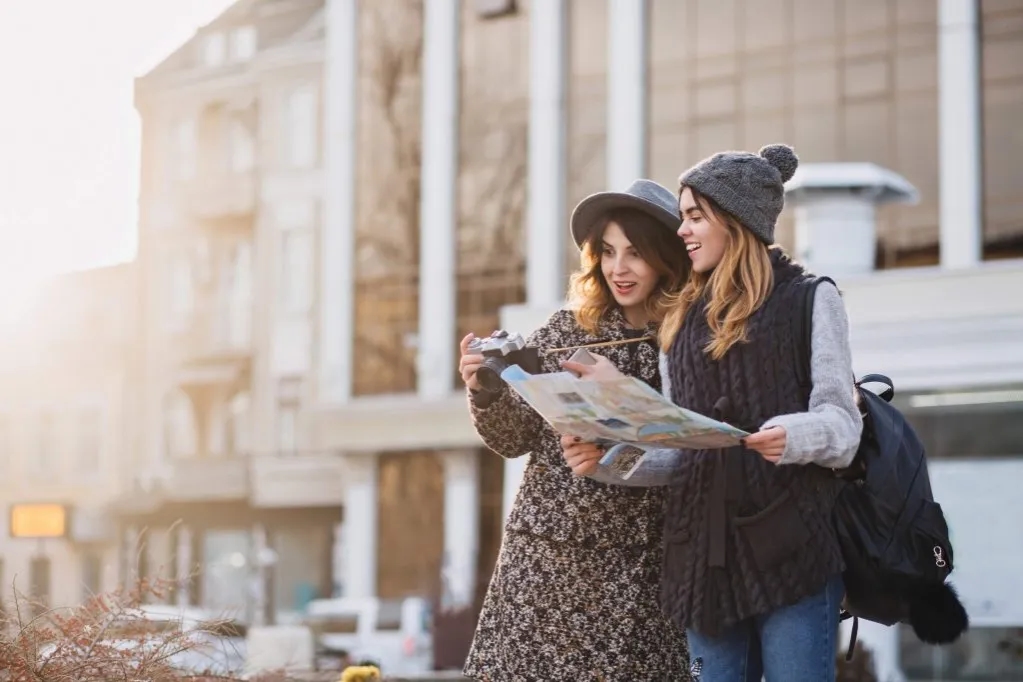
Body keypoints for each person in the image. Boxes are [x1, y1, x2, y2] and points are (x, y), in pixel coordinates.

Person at [561, 145, 864, 682]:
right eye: (683, 217)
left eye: (696, 216)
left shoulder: (811, 299)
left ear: (736, 220)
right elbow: (685, 451)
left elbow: (843, 427)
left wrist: (791, 435)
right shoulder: (679, 321)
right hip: (703, 562)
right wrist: (611, 459)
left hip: (792, 553)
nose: (682, 231)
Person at [460, 179, 694, 681]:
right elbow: (513, 439)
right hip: (544, 552)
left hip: (639, 560)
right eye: (607, 252)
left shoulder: (685, 335)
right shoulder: (567, 329)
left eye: (635, 253)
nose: (619, 268)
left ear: (666, 257)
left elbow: (689, 441)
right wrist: (484, 389)